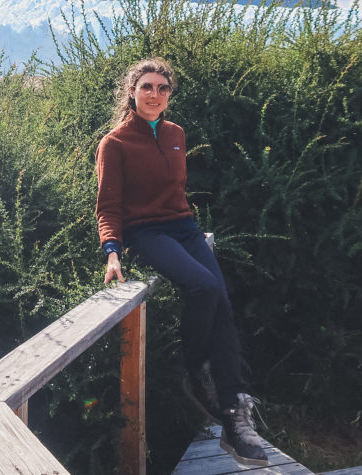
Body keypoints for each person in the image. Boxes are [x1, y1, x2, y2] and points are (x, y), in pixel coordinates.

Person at [95, 57, 269, 468]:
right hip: (147, 233)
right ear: (132, 92)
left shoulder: (175, 133)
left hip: (184, 228)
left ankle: (234, 411)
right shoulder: (114, 143)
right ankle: (196, 370)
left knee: (222, 301)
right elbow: (108, 206)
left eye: (162, 88)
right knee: (204, 286)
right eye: (147, 87)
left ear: (169, 95)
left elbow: (176, 192)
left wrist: (188, 227)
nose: (154, 95)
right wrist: (112, 250)